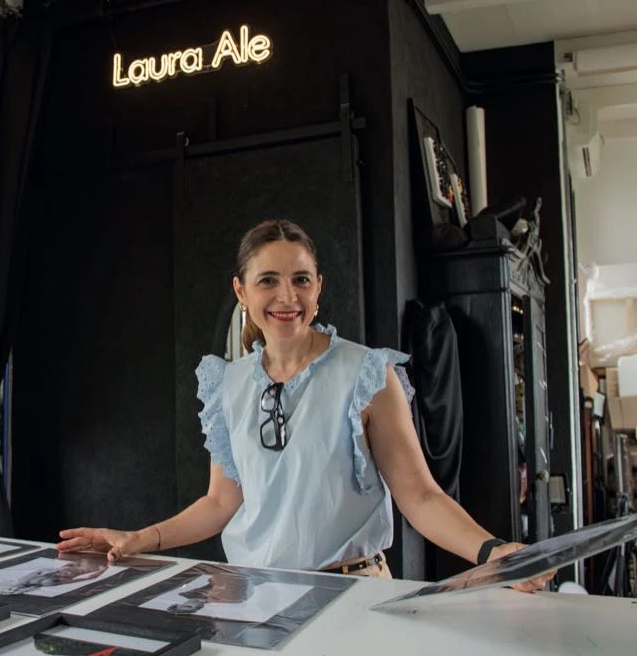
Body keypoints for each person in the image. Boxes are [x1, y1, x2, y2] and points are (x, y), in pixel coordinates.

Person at [58, 219, 552, 592]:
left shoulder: (365, 374)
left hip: (351, 593)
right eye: (268, 280)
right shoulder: (228, 384)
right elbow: (220, 503)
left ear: (319, 286)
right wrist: (138, 538)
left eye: (301, 279)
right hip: (250, 595)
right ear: (241, 290)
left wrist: (492, 552)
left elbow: (420, 496)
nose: (286, 296)